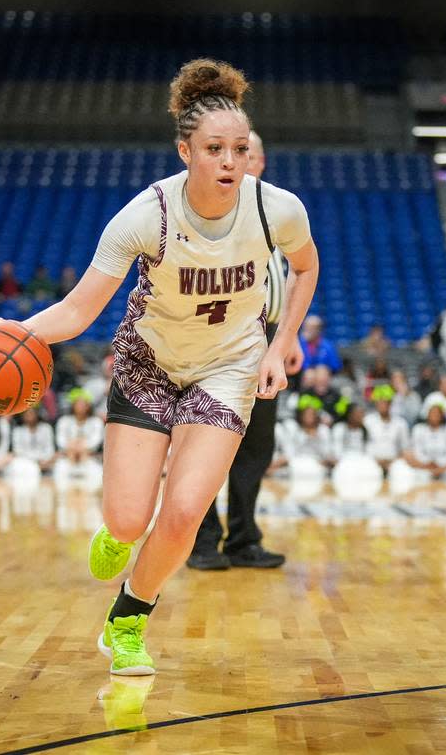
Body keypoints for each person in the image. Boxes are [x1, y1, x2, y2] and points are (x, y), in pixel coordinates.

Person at [0, 58, 318, 675]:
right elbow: (77, 311)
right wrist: (12, 332)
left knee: (183, 512)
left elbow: (306, 267)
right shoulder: (144, 216)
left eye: (239, 148)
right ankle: (119, 531)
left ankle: (128, 621)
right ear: (186, 151)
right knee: (130, 517)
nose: (230, 161)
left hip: (228, 368)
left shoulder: (277, 209)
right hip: (148, 362)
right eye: (214, 149)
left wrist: (278, 342)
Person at [189, 130, 305, 570]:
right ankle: (200, 540)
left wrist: (286, 339)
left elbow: (297, 275)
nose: (242, 160)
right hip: (219, 336)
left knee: (255, 448)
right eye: (234, 152)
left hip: (269, 337)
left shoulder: (275, 216)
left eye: (250, 153)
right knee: (205, 444)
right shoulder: (209, 211)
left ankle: (242, 538)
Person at [11, 407, 57, 472]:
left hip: (45, 461)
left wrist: (44, 460)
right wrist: (35, 461)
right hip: (25, 461)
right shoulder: (18, 430)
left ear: (37, 414)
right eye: (27, 414)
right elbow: (18, 450)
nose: (29, 416)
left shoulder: (46, 428)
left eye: (32, 413)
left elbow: (49, 449)